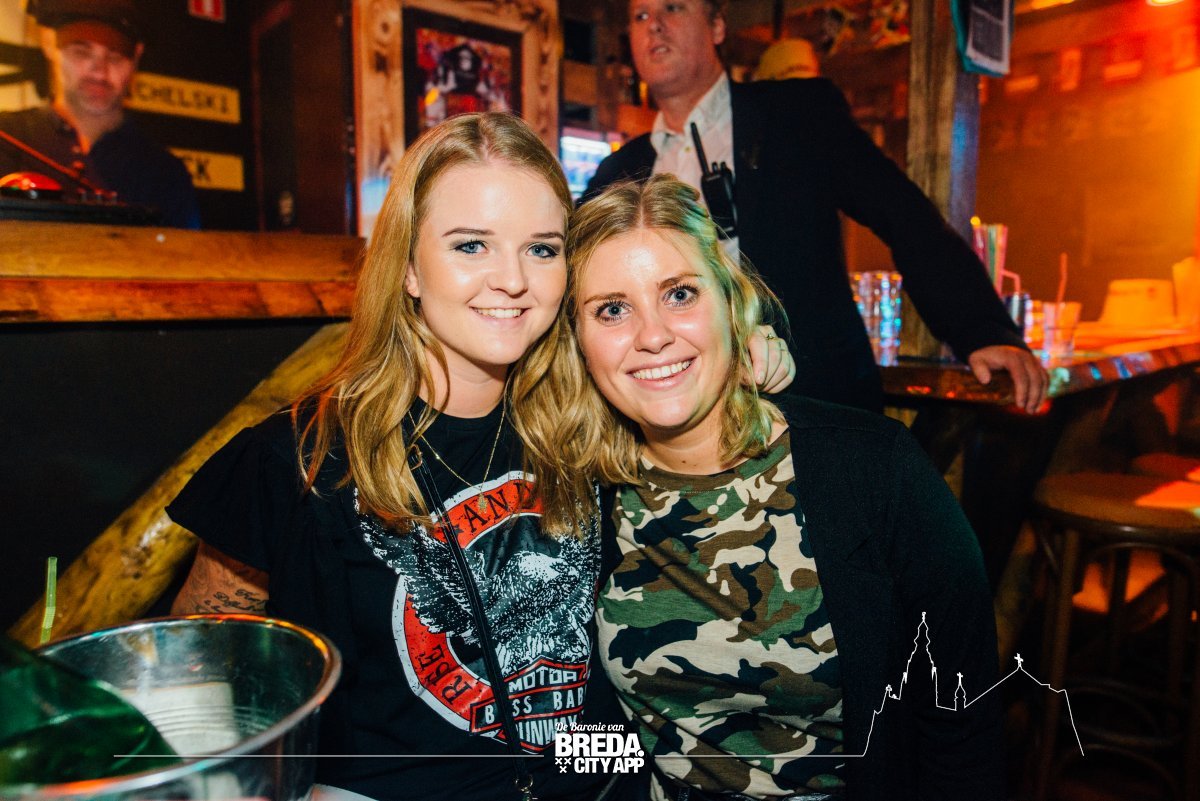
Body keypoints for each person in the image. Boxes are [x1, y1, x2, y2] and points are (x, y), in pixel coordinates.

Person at [166, 113, 791, 801]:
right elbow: (195, 683)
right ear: (408, 267)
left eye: (541, 249)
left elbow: (597, 713)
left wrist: (742, 357)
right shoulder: (299, 458)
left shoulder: (589, 416)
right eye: (471, 245)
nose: (513, 280)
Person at [559, 175, 1004, 800]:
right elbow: (583, 733)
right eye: (612, 309)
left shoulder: (875, 469)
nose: (652, 335)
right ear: (577, 341)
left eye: (680, 294)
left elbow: (963, 732)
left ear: (730, 302)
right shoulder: (580, 495)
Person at [584, 0, 1047, 414]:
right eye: (640, 15)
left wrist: (983, 330)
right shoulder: (620, 171)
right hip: (680, 411)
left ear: (718, 26)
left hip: (812, 403)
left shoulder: (798, 115)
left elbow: (906, 218)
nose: (654, 25)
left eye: (673, 8)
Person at [0, 0, 200, 228]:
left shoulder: (163, 172)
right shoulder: (6, 140)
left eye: (115, 56)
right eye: (82, 52)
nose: (99, 72)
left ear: (137, 55)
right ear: (48, 41)